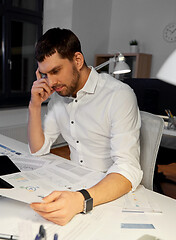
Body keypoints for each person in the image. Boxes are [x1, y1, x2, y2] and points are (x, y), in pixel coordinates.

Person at [27, 28, 143, 226]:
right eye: (45, 74)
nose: (51, 82)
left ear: (78, 60)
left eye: (56, 71)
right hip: (75, 186)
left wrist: (80, 200)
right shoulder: (58, 97)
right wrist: (34, 106)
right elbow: (39, 149)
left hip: (109, 193)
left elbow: (128, 168)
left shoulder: (118, 95)